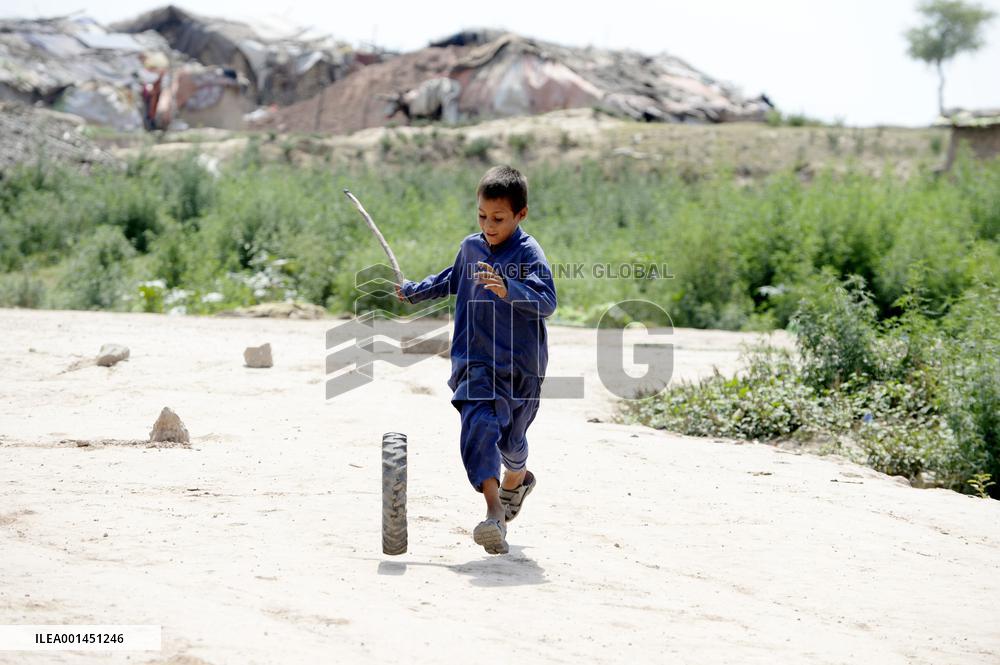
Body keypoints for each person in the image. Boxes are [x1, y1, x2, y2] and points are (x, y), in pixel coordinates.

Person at [396, 165, 556, 555]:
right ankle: (493, 511)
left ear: (521, 214)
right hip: (474, 360)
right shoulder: (471, 248)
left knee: (512, 443)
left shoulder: (528, 253)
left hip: (520, 368)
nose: (488, 225)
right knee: (479, 423)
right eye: (482, 216)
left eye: (498, 218)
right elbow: (451, 278)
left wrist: (507, 288)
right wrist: (414, 291)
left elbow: (547, 301)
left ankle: (517, 478)